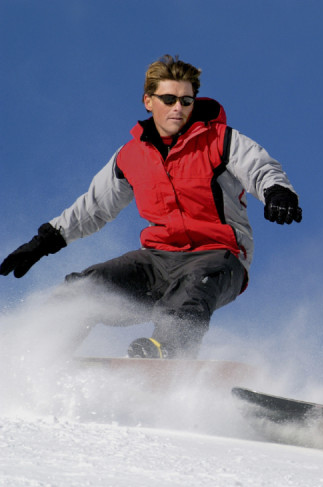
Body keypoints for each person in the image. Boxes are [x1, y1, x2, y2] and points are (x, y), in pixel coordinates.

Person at [0, 55, 302, 359]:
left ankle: (167, 353)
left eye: (186, 100)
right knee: (86, 288)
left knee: (192, 290)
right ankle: (37, 354)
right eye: (169, 99)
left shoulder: (220, 140)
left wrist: (278, 193)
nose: (178, 108)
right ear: (148, 100)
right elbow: (93, 207)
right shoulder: (131, 155)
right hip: (157, 259)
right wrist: (44, 241)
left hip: (219, 256)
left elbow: (261, 168)